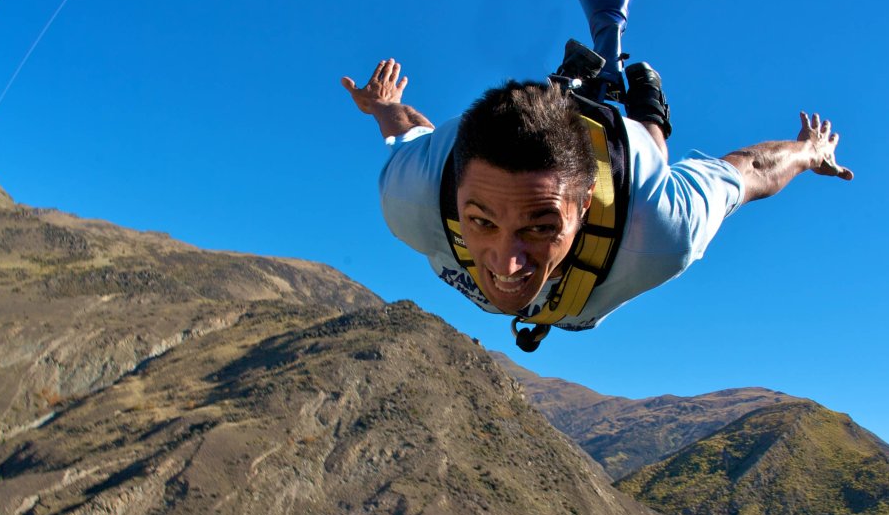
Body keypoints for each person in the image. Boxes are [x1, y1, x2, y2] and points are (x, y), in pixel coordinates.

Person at [340, 52, 852, 349]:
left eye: (540, 227)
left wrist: (809, 151)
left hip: (624, 163)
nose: (506, 261)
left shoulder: (659, 231)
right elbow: (408, 129)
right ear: (454, 194)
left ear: (584, 207)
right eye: (481, 221)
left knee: (650, 145)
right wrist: (383, 105)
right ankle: (575, 87)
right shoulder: (412, 198)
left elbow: (748, 171)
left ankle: (648, 99)